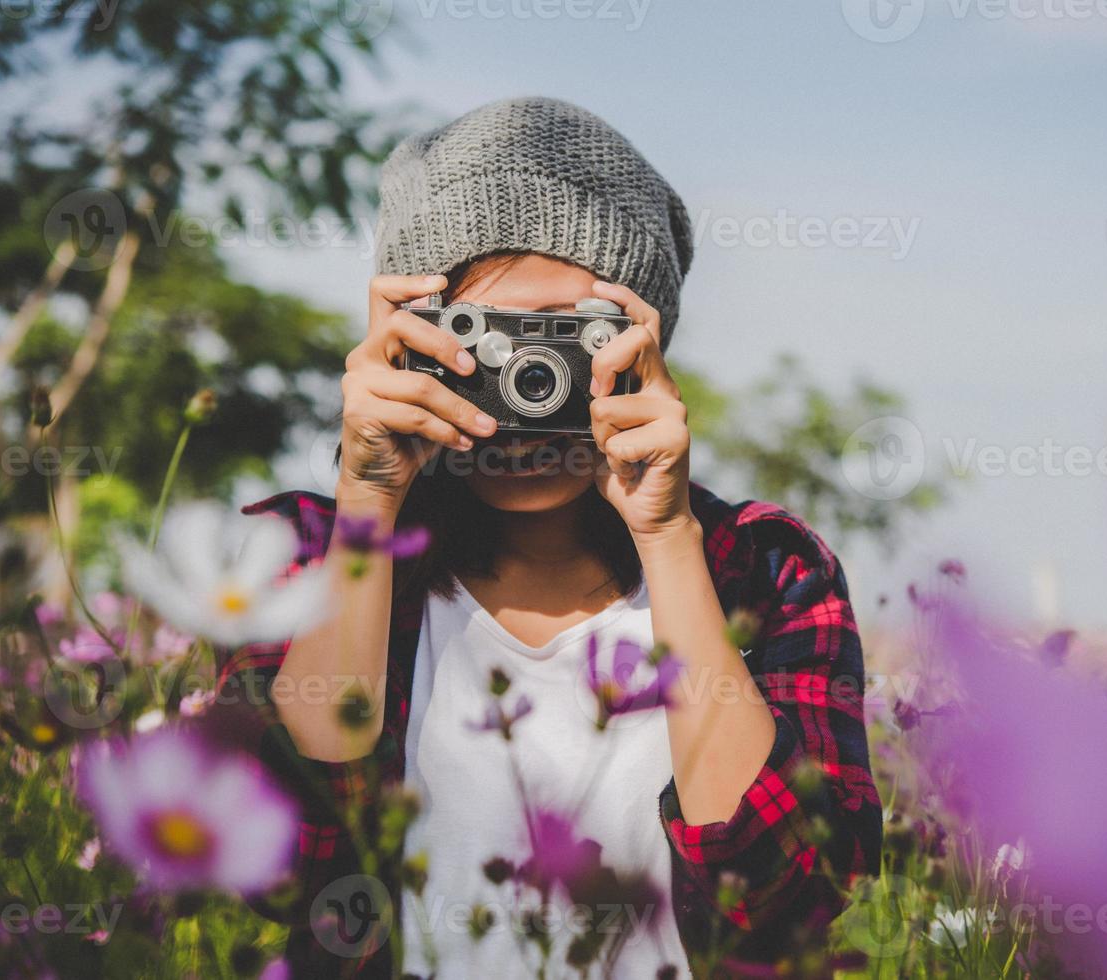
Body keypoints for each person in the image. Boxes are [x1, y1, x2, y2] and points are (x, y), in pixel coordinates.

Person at [216, 96, 881, 978]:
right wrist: (367, 501)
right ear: (404, 344)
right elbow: (277, 873)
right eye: (478, 342)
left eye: (568, 343)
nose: (527, 385)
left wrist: (668, 536)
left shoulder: (763, 568)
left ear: (646, 347)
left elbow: (787, 896)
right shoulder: (299, 554)